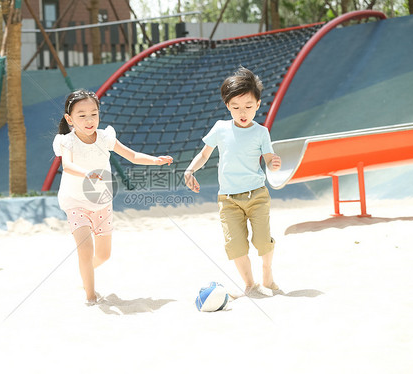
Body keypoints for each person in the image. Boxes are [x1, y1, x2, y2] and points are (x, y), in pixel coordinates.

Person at [53, 89, 173, 305]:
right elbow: (68, 165)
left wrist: (155, 160)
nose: (89, 120)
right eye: (82, 115)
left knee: (104, 255)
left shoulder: (105, 137)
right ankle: (91, 297)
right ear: (70, 119)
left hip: (102, 203)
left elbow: (132, 155)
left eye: (94, 114)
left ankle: (85, 271)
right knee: (85, 251)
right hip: (75, 203)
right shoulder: (67, 141)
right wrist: (87, 174)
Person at [184, 67, 282, 296]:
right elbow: (204, 154)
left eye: (248, 106)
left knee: (262, 241)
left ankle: (267, 274)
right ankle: (250, 283)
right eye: (236, 107)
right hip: (228, 199)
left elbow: (268, 158)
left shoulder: (261, 132)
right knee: (235, 245)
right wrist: (190, 169)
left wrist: (273, 162)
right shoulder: (220, 128)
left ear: (258, 104)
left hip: (257, 194)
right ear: (227, 106)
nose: (242, 112)